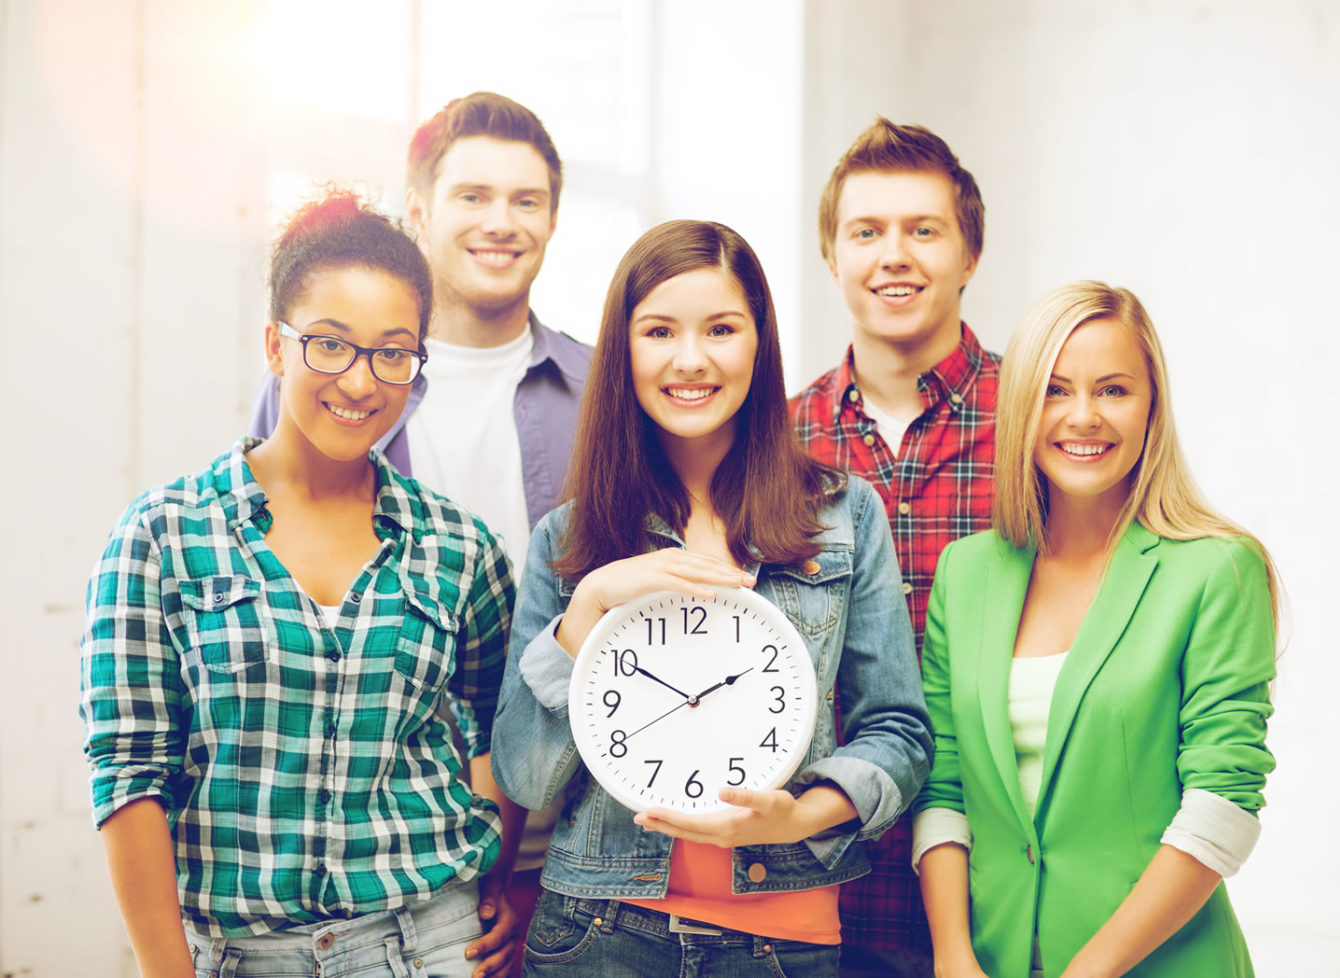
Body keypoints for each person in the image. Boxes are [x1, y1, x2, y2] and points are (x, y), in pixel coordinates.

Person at [81, 191, 524, 978]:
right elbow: (129, 774)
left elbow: (498, 731)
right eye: (329, 344)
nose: (361, 382)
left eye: (393, 352)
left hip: (433, 943)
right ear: (275, 347)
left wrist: (499, 882)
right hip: (240, 955)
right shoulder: (161, 535)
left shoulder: (460, 547)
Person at [490, 220, 934, 976]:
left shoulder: (842, 513)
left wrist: (802, 816)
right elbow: (524, 778)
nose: (690, 360)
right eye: (659, 331)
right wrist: (589, 605)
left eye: (721, 329)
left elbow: (898, 732)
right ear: (623, 348)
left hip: (785, 940)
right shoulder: (569, 539)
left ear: (758, 343)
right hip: (598, 932)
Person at [249, 93, 593, 972]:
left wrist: (518, 875)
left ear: (553, 218)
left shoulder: (601, 393)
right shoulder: (329, 385)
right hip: (382, 860)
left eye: (527, 200)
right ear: (418, 212)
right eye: (472, 195)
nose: (501, 222)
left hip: (573, 847)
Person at [915, 282, 1280, 978]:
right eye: (1055, 390)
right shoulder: (964, 574)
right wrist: (953, 955)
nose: (1083, 417)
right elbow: (944, 791)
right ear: (1021, 406)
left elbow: (1222, 804)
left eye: (1113, 390)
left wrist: (1090, 971)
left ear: (1152, 408)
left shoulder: (1216, 569)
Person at [790, 117, 998, 977]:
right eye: (866, 232)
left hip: (1002, 871)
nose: (894, 256)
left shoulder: (1040, 428)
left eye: (924, 230)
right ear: (833, 258)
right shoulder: (774, 442)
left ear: (969, 254)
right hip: (820, 883)